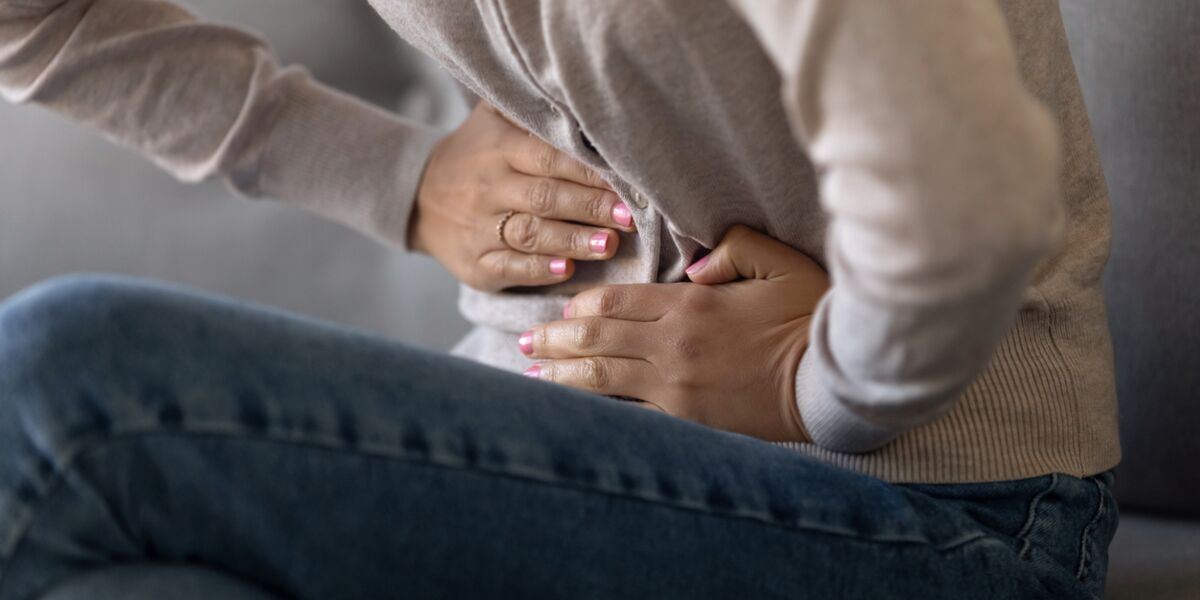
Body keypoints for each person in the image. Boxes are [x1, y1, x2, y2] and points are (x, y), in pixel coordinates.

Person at [0, 0, 1119, 598]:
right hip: (542, 448)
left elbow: (970, 175)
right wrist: (396, 174)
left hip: (932, 506)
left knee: (67, 382)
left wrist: (823, 377)